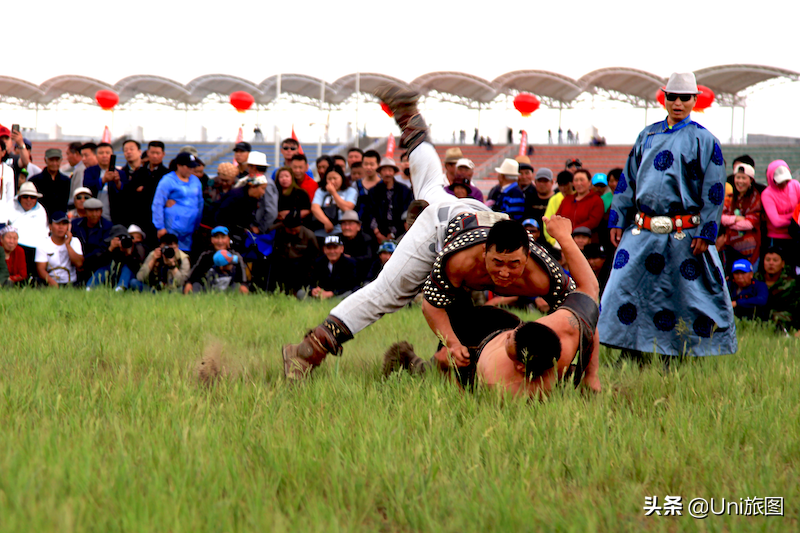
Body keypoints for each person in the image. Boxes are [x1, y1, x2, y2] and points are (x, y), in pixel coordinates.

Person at [600, 72, 737, 358]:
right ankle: (631, 350)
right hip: (642, 231)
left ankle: (679, 355)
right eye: (671, 97)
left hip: (685, 233)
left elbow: (714, 191)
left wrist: (707, 232)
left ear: (694, 100)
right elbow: (628, 181)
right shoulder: (646, 135)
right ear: (664, 98)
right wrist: (617, 217)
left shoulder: (704, 140)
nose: (677, 102)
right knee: (622, 290)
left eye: (684, 97)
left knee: (684, 299)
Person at [424, 214, 600, 396]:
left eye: (513, 265)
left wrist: (591, 374)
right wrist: (453, 344)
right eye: (497, 263)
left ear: (527, 257)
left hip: (496, 334)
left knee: (453, 365)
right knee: (393, 293)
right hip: (449, 220)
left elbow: (588, 312)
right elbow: (430, 305)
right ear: (484, 252)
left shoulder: (544, 276)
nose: (505, 273)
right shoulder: (458, 262)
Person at [152, 152, 204, 252]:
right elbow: (158, 204)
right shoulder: (167, 180)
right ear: (179, 165)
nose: (191, 170)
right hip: (172, 229)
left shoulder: (195, 181)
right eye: (188, 167)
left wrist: (198, 223)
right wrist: (160, 227)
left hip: (190, 229)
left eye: (192, 167)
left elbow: (200, 202)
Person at [123, 140, 169, 248]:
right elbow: (130, 191)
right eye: (152, 153)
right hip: (139, 218)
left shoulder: (166, 174)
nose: (154, 156)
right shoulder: (139, 172)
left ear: (163, 154)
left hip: (157, 220)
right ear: (147, 153)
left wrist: (144, 189)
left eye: (157, 153)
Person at [267, 210, 320, 295]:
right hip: (280, 263)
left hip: (300, 266)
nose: (293, 232)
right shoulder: (276, 230)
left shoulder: (309, 236)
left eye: (296, 230)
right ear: (284, 226)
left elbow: (315, 256)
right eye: (290, 230)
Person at [721, 162, 762, 269]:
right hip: (729, 248)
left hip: (751, 250)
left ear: (751, 180)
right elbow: (720, 218)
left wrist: (729, 222)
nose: (740, 181)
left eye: (744, 178)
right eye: (738, 177)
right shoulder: (729, 198)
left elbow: (749, 224)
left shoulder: (755, 199)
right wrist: (736, 218)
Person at [184, 226, 248, 294]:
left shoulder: (235, 256)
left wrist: (243, 285)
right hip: (208, 290)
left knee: (239, 287)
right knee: (194, 285)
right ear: (212, 240)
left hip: (229, 289)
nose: (220, 241)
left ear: (228, 239)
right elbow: (194, 274)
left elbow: (243, 278)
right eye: (217, 237)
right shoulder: (206, 256)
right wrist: (189, 283)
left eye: (223, 237)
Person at [761, 160, 800, 270]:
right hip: (777, 239)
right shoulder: (767, 194)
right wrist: (795, 216)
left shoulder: (795, 185)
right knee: (776, 268)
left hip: (795, 236)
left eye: (786, 180)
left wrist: (792, 218)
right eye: (780, 181)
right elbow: (776, 222)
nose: (784, 183)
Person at [365, 158, 412, 243]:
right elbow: (370, 212)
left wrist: (394, 233)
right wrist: (377, 232)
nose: (387, 173)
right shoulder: (373, 191)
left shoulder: (404, 190)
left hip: (400, 232)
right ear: (380, 173)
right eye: (384, 170)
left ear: (394, 172)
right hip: (378, 232)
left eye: (390, 170)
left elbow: (406, 212)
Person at [35, 211, 84, 287]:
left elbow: (79, 264)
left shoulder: (75, 241)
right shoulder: (43, 243)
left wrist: (67, 244)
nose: (61, 227)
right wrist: (52, 283)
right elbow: (41, 269)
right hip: (50, 283)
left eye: (64, 224)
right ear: (50, 227)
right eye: (58, 224)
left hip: (71, 284)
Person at [755, 247, 798, 332]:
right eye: (768, 260)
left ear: (782, 264)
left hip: (783, 319)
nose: (771, 263)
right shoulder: (755, 279)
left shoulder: (792, 283)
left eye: (775, 260)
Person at [70, 197, 113, 283]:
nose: (94, 214)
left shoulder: (107, 226)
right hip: (77, 264)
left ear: (101, 212)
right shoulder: (75, 224)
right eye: (91, 211)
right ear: (85, 212)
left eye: (97, 211)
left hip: (98, 264)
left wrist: (84, 262)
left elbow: (102, 250)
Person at [310, 165, 357, 240]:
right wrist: (327, 222)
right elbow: (315, 208)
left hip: (341, 231)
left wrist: (333, 193)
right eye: (329, 179)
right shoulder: (321, 191)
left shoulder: (350, 191)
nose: (332, 181)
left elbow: (347, 208)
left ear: (342, 178)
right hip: (321, 231)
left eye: (335, 178)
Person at [306, 235, 359, 300]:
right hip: (321, 294)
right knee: (301, 293)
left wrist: (331, 293)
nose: (332, 251)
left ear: (342, 249)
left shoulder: (350, 263)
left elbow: (352, 285)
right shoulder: (318, 262)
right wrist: (313, 290)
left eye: (335, 248)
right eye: (329, 248)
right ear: (324, 250)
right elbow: (311, 281)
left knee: (350, 293)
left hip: (340, 294)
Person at [556, 169, 604, 234]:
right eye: (576, 180)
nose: (579, 183)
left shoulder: (597, 200)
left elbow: (593, 222)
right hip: (565, 238)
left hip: (585, 239)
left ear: (589, 182)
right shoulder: (567, 199)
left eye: (582, 180)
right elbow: (557, 217)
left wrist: (572, 231)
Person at [6, 181, 48, 252]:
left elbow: (43, 234)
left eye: (32, 197)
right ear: (19, 197)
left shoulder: (41, 210)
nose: (29, 200)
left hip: (35, 249)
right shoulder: (10, 206)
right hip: (14, 247)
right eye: (25, 196)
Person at [28, 148, 71, 216]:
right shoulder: (34, 181)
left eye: (57, 160)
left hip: (59, 220)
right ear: (45, 160)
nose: (54, 163)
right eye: (51, 160)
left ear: (61, 161)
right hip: (40, 217)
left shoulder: (66, 181)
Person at [339, 210, 375, 282]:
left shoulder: (366, 239)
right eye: (344, 224)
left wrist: (350, 258)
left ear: (358, 226)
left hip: (362, 274)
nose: (347, 227)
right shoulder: (338, 238)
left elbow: (369, 258)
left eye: (350, 224)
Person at [542, 171, 573, 245]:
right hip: (557, 241)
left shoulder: (577, 197)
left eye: (565, 184)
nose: (563, 188)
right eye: (560, 185)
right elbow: (547, 220)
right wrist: (553, 242)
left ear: (572, 183)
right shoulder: (554, 199)